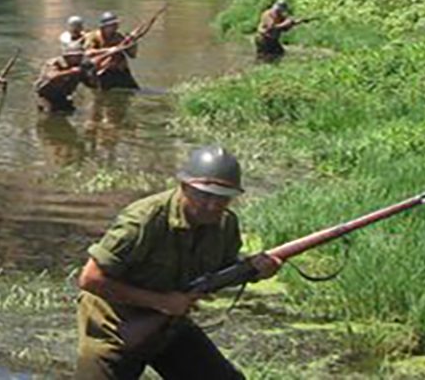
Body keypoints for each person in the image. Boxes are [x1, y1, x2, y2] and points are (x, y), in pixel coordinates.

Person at [75, 146, 281, 379]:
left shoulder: (225, 225)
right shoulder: (144, 220)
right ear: (184, 186)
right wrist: (162, 302)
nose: (213, 205)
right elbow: (91, 279)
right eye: (205, 195)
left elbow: (222, 270)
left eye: (223, 198)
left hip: (169, 325)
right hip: (113, 329)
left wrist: (254, 270)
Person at [83, 11, 139, 90]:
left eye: (116, 25)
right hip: (104, 71)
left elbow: (132, 55)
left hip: (120, 70)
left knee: (134, 90)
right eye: (112, 25)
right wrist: (109, 50)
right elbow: (88, 53)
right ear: (104, 27)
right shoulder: (94, 36)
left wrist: (133, 42)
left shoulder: (119, 36)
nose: (116, 27)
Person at [34, 44, 93, 113]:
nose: (76, 59)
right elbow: (51, 76)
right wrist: (70, 72)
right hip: (46, 95)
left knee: (69, 112)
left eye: (79, 56)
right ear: (67, 57)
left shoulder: (81, 66)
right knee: (49, 114)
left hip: (62, 95)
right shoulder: (56, 63)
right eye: (73, 57)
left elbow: (91, 84)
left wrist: (90, 73)